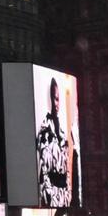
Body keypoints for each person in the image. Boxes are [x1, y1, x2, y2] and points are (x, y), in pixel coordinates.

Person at [37, 78, 71, 206]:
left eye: (58, 99)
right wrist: (50, 196)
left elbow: (67, 168)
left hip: (63, 197)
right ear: (49, 99)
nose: (57, 103)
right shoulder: (45, 131)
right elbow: (43, 169)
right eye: (54, 98)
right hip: (51, 195)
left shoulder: (62, 133)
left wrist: (67, 196)